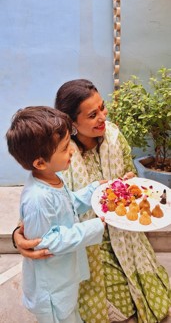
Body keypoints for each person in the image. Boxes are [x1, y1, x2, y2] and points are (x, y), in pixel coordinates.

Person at [13, 80, 171, 323]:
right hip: (85, 245)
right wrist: (18, 234)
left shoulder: (114, 137)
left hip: (123, 232)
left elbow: (122, 184)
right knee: (98, 304)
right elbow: (42, 214)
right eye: (92, 114)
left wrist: (125, 185)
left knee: (151, 293)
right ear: (72, 123)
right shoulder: (56, 154)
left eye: (103, 108)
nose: (102, 118)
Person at [6, 106, 106, 323]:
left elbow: (69, 205)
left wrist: (94, 190)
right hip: (51, 290)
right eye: (64, 148)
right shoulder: (38, 199)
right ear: (40, 162)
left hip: (63, 277)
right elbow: (47, 241)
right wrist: (96, 226)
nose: (71, 150)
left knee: (70, 312)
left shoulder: (52, 178)